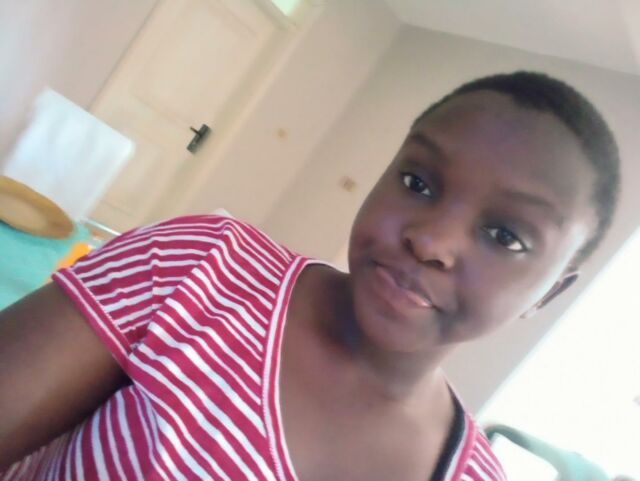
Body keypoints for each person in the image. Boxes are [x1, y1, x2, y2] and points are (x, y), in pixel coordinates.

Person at [0, 71, 621, 481]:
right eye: (417, 182)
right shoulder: (204, 267)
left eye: (505, 236)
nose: (431, 240)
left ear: (550, 293)